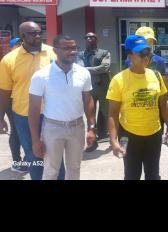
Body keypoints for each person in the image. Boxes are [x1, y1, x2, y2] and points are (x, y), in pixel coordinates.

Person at [0, 21, 65, 180]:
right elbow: (4, 92)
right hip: (24, 115)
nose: (38, 36)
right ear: (22, 36)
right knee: (34, 155)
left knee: (56, 155)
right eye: (32, 33)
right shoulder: (9, 60)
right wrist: (1, 117)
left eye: (39, 32)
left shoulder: (53, 53)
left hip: (53, 114)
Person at [28, 35, 96, 180]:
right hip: (52, 128)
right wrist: (35, 140)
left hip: (77, 127)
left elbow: (88, 101)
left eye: (74, 48)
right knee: (51, 170)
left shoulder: (83, 73)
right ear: (55, 50)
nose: (72, 52)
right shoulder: (41, 76)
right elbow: (33, 109)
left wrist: (91, 127)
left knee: (74, 169)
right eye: (66, 48)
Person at [107, 35, 168, 180]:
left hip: (154, 134)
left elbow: (163, 104)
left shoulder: (156, 76)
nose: (146, 57)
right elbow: (113, 113)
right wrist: (113, 140)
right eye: (141, 54)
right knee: (132, 175)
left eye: (148, 53)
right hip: (130, 135)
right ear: (130, 55)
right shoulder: (119, 80)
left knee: (153, 175)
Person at [77, 32, 111, 152]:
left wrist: (86, 70)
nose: (89, 39)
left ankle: (113, 139)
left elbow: (105, 67)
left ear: (97, 40)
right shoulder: (80, 54)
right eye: (87, 37)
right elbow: (79, 68)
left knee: (108, 114)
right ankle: (92, 142)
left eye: (92, 37)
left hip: (103, 88)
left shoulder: (104, 52)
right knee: (90, 116)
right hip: (88, 89)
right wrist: (93, 70)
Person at [1, 37, 27, 173]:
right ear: (12, 47)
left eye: (21, 43)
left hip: (24, 101)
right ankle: (17, 162)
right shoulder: (8, 61)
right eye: (17, 44)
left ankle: (30, 159)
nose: (20, 46)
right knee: (16, 132)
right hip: (10, 102)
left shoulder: (26, 59)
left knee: (27, 131)